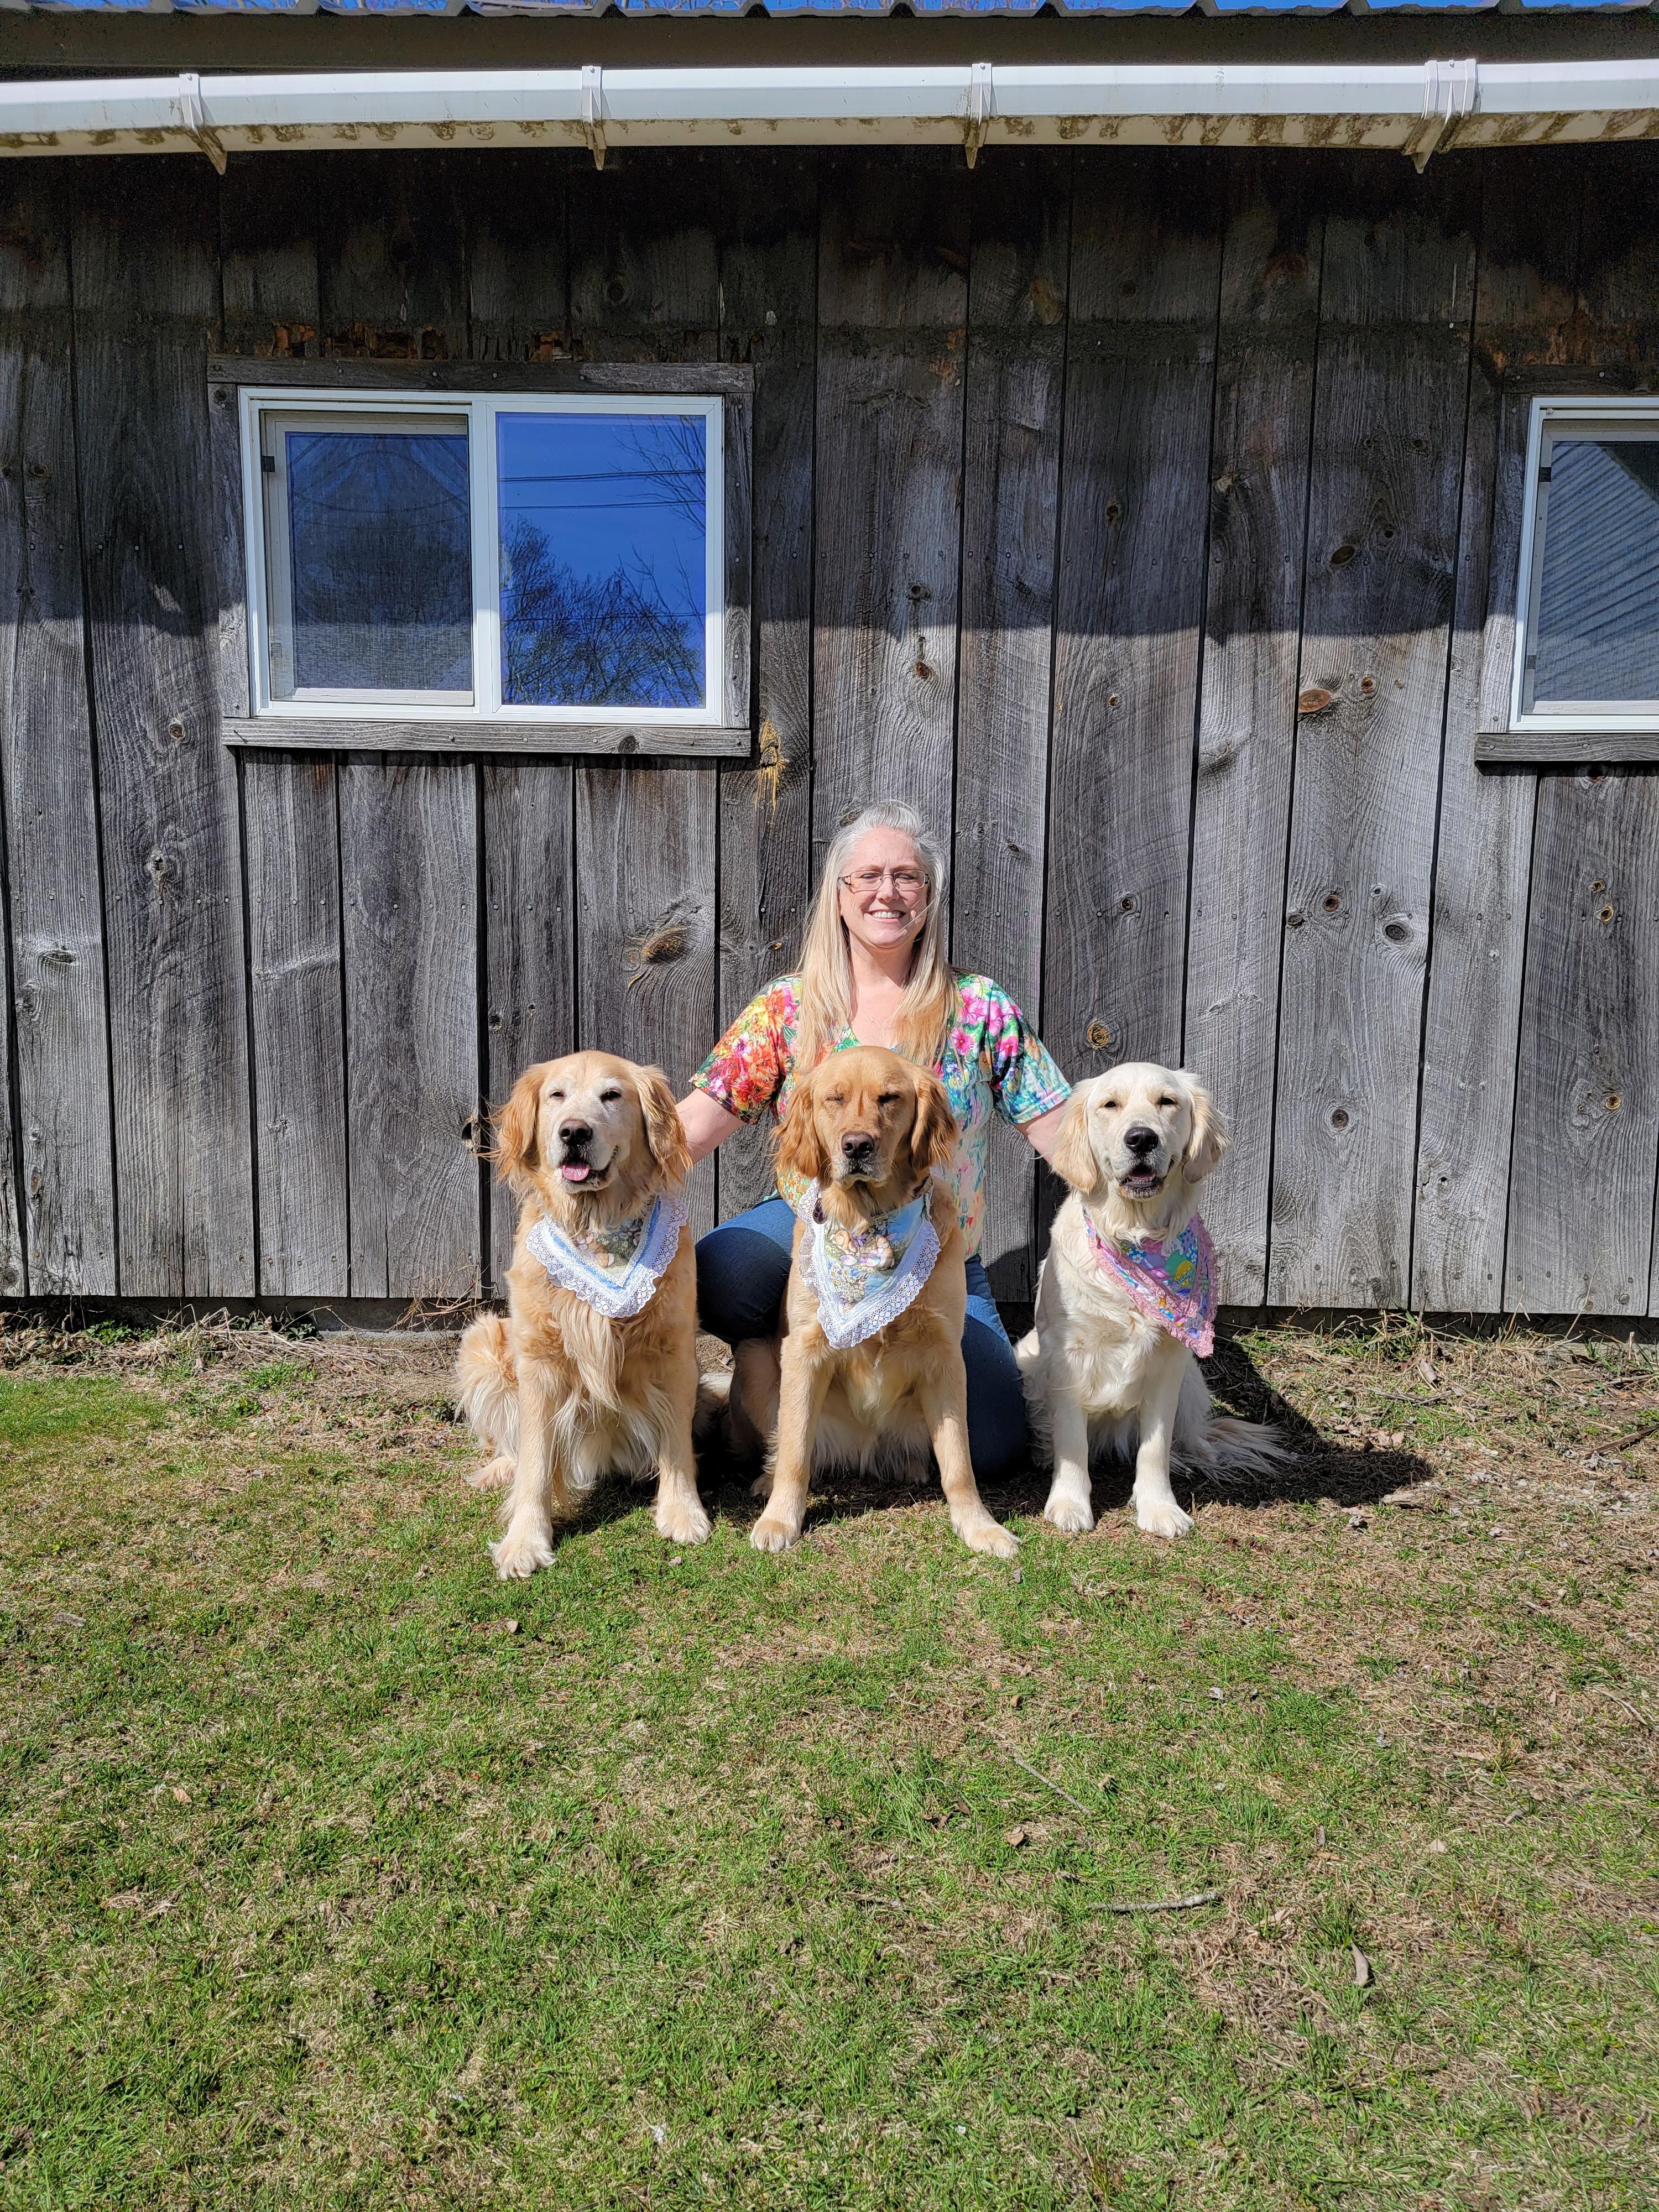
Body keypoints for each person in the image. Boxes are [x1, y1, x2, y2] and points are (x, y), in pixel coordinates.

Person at [677, 800, 1071, 1477]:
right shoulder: (788, 1005)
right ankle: (795, 1357)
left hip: (937, 1247)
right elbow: (691, 1127)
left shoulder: (980, 1006)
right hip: (820, 1227)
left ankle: (854, 1377)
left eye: (907, 877)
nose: (887, 892)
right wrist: (588, 1172)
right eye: (867, 876)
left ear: (929, 896)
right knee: (721, 1272)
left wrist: (1141, 1192)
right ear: (839, 896)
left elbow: (1061, 1130)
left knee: (995, 1441)